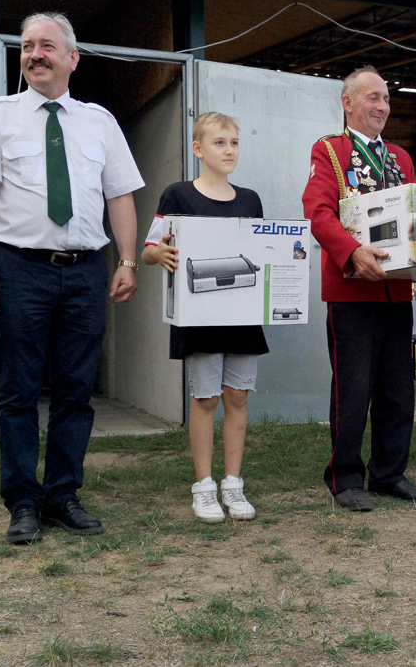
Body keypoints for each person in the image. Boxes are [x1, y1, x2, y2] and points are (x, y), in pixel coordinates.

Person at [0, 12, 143, 543]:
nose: (34, 54)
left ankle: (62, 494)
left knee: (76, 391)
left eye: (47, 46)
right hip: (19, 271)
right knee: (18, 391)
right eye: (27, 46)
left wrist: (127, 260)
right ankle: (22, 501)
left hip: (86, 272)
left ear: (72, 58)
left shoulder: (99, 122)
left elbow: (120, 195)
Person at [302, 65, 416, 512]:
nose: (382, 106)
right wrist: (352, 250)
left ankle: (389, 473)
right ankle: (345, 478)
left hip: (396, 291)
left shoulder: (401, 156)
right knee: (353, 389)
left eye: (386, 99)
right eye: (373, 98)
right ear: (348, 103)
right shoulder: (330, 151)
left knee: (398, 389)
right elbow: (318, 212)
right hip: (351, 292)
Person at [142, 112, 265, 522]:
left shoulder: (250, 199)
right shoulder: (176, 195)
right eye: (219, 143)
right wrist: (157, 253)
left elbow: (262, 253)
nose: (228, 150)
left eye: (234, 142)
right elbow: (148, 249)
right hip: (200, 315)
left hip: (243, 313)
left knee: (237, 396)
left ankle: (233, 484)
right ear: (197, 149)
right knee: (207, 397)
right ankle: (204, 487)